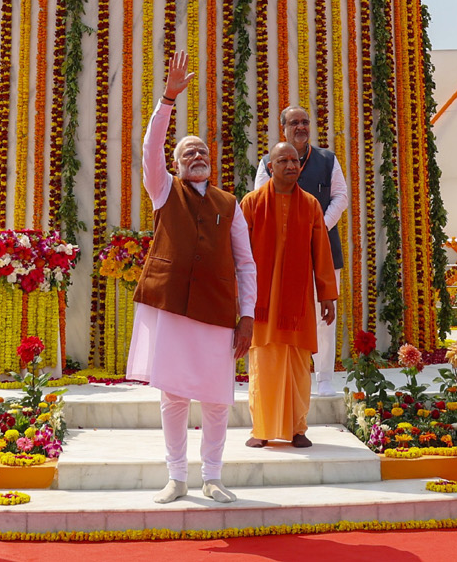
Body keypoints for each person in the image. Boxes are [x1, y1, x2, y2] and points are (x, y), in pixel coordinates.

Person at [128, 52, 255, 503]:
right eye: (187, 152)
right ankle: (177, 477)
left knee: (218, 398)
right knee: (175, 397)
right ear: (177, 164)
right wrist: (167, 99)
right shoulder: (164, 190)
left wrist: (247, 316)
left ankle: (213, 477)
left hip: (217, 311)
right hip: (173, 307)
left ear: (211, 161)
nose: (196, 155)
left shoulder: (229, 203)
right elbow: (150, 150)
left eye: (202, 151)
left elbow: (246, 263)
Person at [240, 141, 338, 448]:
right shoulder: (252, 203)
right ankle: (261, 429)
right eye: (283, 161)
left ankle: (298, 428)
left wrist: (326, 294)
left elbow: (321, 252)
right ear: (270, 167)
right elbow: (238, 253)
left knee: (298, 366)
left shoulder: (310, 205)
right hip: (262, 302)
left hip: (298, 303)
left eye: (295, 161)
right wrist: (238, 297)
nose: (291, 165)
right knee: (263, 364)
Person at [251, 105, 347, 369]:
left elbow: (341, 197)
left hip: (324, 248)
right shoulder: (268, 162)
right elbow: (263, 202)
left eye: (305, 122)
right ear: (283, 128)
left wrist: (317, 228)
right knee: (283, 311)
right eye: (294, 123)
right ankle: (289, 370)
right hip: (282, 253)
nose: (301, 127)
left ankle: (324, 378)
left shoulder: (327, 159)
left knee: (324, 314)